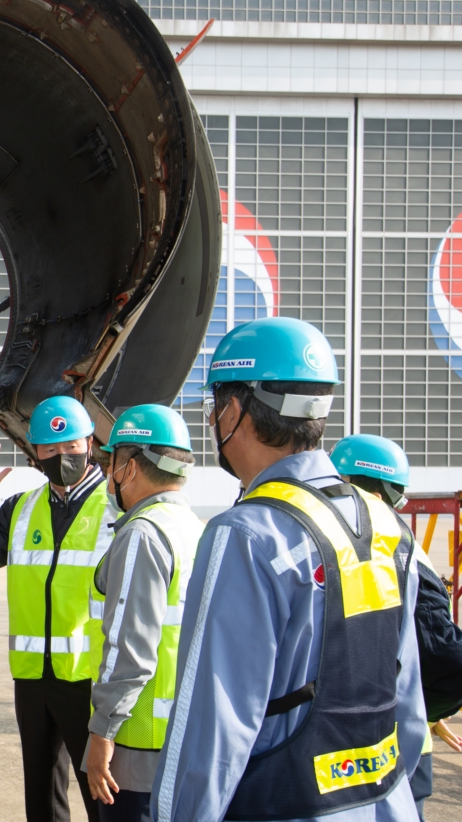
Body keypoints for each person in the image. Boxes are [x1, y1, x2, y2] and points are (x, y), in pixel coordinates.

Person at [152, 317, 427, 822]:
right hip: (384, 803)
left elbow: (213, 727)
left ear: (233, 410)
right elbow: (406, 699)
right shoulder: (384, 522)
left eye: (215, 406)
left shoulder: (246, 534)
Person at [0, 395, 114, 822]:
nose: (62, 456)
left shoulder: (117, 508)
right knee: (41, 799)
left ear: (90, 443)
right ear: (35, 454)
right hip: (33, 677)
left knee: (104, 799)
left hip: (90, 680)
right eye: (50, 449)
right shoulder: (23, 508)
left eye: (72, 447)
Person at [330, 434, 462, 821]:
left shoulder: (388, 549)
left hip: (390, 754)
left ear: (348, 484)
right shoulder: (391, 542)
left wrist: (425, 708)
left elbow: (448, 659)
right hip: (375, 752)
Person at [81, 405, 203, 822]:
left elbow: (128, 648)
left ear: (128, 468)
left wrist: (102, 732)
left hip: (137, 743)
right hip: (185, 737)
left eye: (110, 461)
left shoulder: (142, 533)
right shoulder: (194, 527)